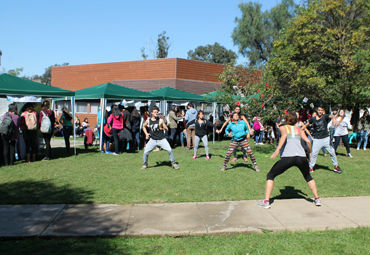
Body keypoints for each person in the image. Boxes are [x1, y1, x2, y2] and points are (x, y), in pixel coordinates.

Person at [258, 111, 321, 209]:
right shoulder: (299, 129)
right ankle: (317, 199)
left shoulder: (283, 128)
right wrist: (310, 153)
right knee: (308, 176)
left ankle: (266, 201)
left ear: (286, 119)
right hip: (301, 157)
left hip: (288, 157)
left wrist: (277, 151)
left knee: (270, 175)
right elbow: (308, 141)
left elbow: (283, 136)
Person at [302, 105, 342, 173]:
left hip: (326, 139)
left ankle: (336, 167)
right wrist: (301, 129)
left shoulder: (325, 116)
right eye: (319, 110)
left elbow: (331, 116)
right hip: (317, 140)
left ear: (323, 111)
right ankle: (310, 167)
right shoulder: (313, 119)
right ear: (317, 111)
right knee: (314, 154)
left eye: (321, 110)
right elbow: (306, 125)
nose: (320, 111)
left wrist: (334, 119)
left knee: (332, 152)